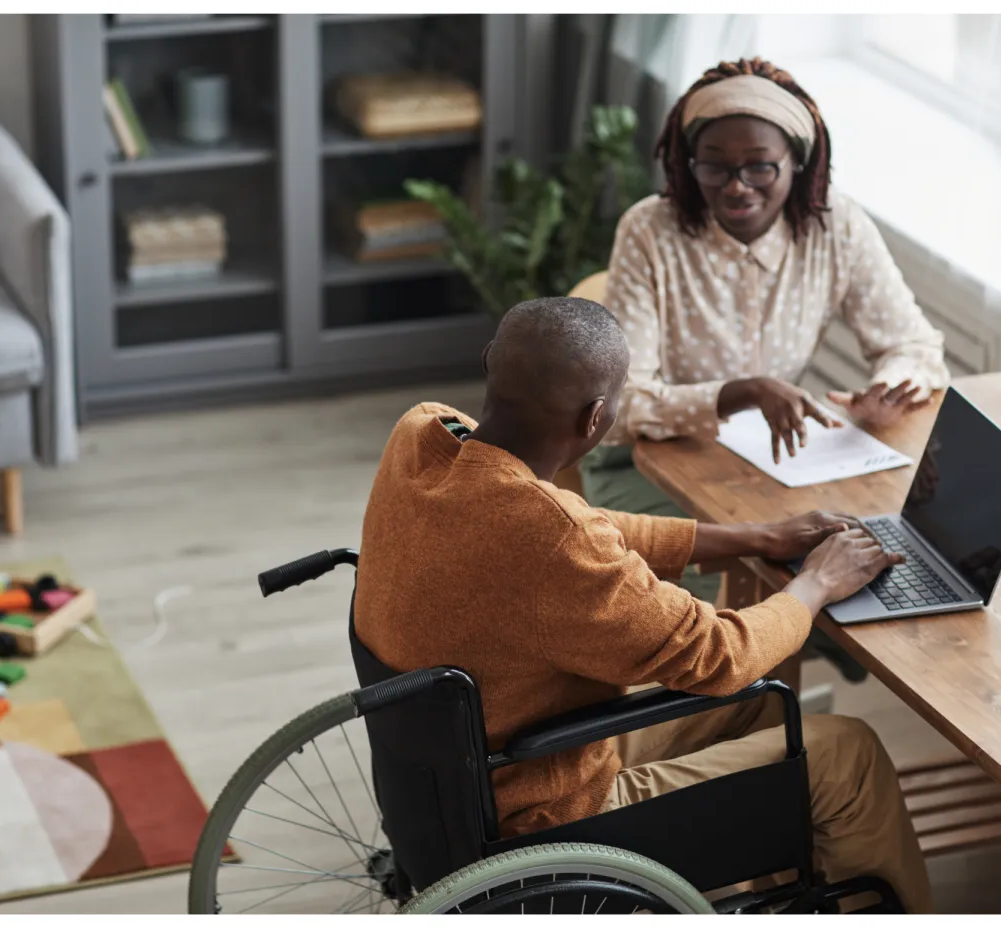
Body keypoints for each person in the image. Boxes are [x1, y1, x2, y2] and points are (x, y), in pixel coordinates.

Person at [354, 297, 933, 913]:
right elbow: (720, 655)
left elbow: (578, 522)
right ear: (596, 417)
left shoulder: (423, 434)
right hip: (549, 811)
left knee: (764, 712)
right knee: (847, 752)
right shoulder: (549, 538)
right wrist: (817, 583)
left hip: (458, 781)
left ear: (491, 361)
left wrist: (756, 536)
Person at [581, 57, 950, 606]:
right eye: (714, 167)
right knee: (759, 588)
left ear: (796, 163)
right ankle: (759, 685)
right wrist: (742, 393)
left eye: (759, 167)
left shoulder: (836, 226)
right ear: (688, 165)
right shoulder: (649, 231)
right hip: (644, 463)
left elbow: (917, 347)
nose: (736, 187)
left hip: (777, 463)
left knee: (869, 560)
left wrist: (890, 386)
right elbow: (623, 406)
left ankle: (775, 684)